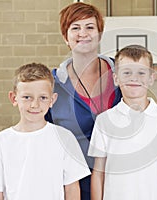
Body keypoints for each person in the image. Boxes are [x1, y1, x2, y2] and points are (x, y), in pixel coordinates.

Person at [88, 45, 157, 200]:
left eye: (141, 73)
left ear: (152, 77)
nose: (134, 78)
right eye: (126, 72)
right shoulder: (104, 121)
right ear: (115, 78)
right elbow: (98, 172)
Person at [0, 63, 91, 200]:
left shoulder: (65, 138)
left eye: (43, 98)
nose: (35, 105)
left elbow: (72, 189)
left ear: (52, 100)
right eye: (27, 97)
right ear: (14, 98)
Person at [45, 2, 122, 199]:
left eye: (90, 27)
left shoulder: (122, 76)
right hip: (72, 185)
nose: (83, 33)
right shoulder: (52, 84)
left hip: (120, 180)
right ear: (65, 37)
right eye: (75, 28)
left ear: (100, 34)